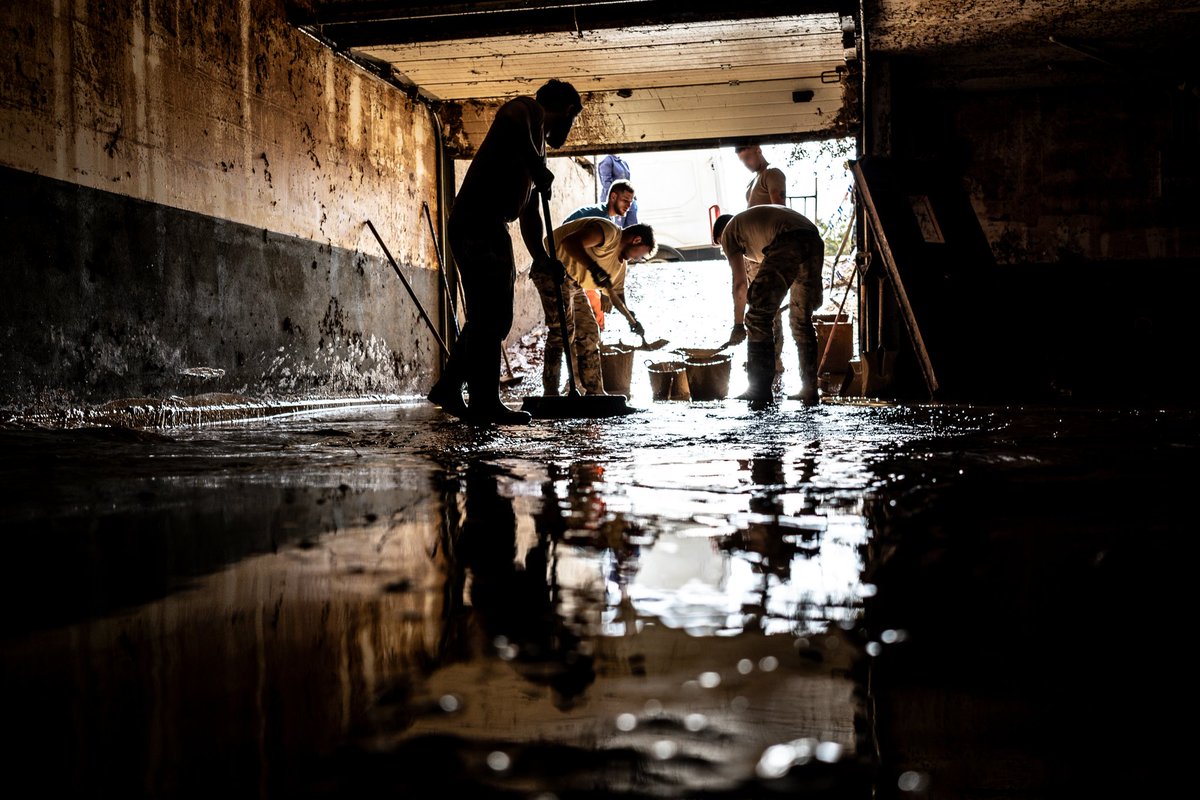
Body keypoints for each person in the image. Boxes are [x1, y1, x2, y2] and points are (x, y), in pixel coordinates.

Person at [426, 79, 582, 424]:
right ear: (568, 111)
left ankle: (450, 387)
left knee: (494, 316)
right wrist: (537, 166)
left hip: (492, 226)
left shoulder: (536, 145)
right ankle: (483, 402)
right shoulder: (529, 111)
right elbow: (510, 115)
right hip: (477, 222)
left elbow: (529, 215)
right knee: (491, 317)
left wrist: (542, 259)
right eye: (573, 120)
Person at [712, 204, 824, 407]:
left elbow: (740, 285)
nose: (726, 252)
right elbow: (759, 286)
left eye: (722, 247)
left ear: (721, 237)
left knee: (756, 319)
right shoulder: (755, 232)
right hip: (813, 240)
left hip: (788, 239)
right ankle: (810, 389)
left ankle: (759, 391)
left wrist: (738, 325)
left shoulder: (729, 232)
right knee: (801, 321)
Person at [530, 217, 656, 396]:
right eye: (641, 253)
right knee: (562, 331)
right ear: (636, 240)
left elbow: (617, 296)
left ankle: (594, 391)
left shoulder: (620, 266)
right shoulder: (609, 233)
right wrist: (594, 268)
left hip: (574, 283)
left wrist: (632, 319)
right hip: (552, 270)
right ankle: (550, 393)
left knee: (590, 332)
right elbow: (569, 243)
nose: (638, 258)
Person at [734, 142, 793, 393]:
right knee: (758, 307)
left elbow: (780, 207)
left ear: (758, 149)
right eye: (741, 159)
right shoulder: (754, 181)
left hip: (767, 252)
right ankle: (762, 357)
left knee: (770, 309)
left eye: (748, 156)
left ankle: (773, 360)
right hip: (755, 255)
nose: (746, 162)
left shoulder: (772, 174)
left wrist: (775, 250)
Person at [598, 154, 639, 226]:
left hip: (628, 201)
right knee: (617, 228)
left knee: (633, 228)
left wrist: (632, 199)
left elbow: (628, 182)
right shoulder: (608, 161)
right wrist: (612, 202)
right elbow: (606, 183)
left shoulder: (624, 162)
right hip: (617, 201)